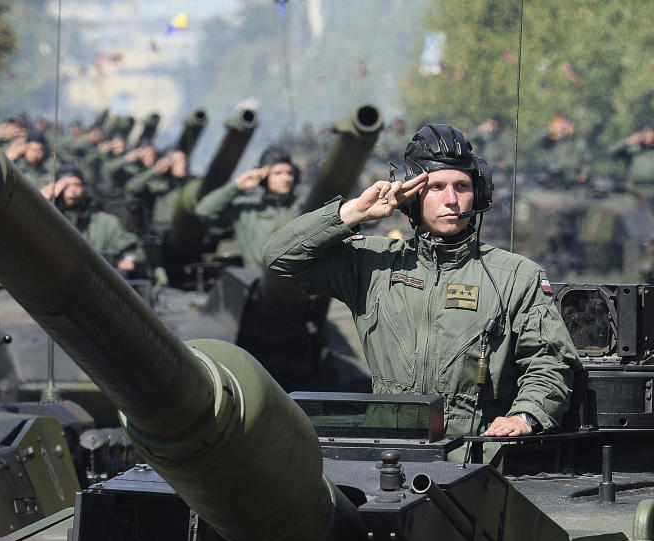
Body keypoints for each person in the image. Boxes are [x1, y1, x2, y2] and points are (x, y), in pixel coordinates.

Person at [264, 124, 580, 439]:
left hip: (474, 452)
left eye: (462, 186)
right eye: (436, 187)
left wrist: (526, 414)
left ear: (479, 193)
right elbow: (280, 257)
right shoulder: (372, 264)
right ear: (413, 196)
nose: (452, 199)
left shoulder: (515, 276)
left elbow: (549, 361)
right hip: (387, 448)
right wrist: (354, 211)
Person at [194, 146, 304, 269]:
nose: (286, 178)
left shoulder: (303, 204)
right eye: (278, 173)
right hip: (260, 280)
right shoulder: (246, 210)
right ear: (264, 177)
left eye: (289, 173)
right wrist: (237, 186)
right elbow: (204, 212)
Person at [40, 165, 144, 272]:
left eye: (77, 184)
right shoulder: (48, 219)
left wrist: (128, 259)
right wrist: (43, 202)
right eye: (65, 186)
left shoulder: (105, 222)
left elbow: (132, 248)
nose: (72, 190)